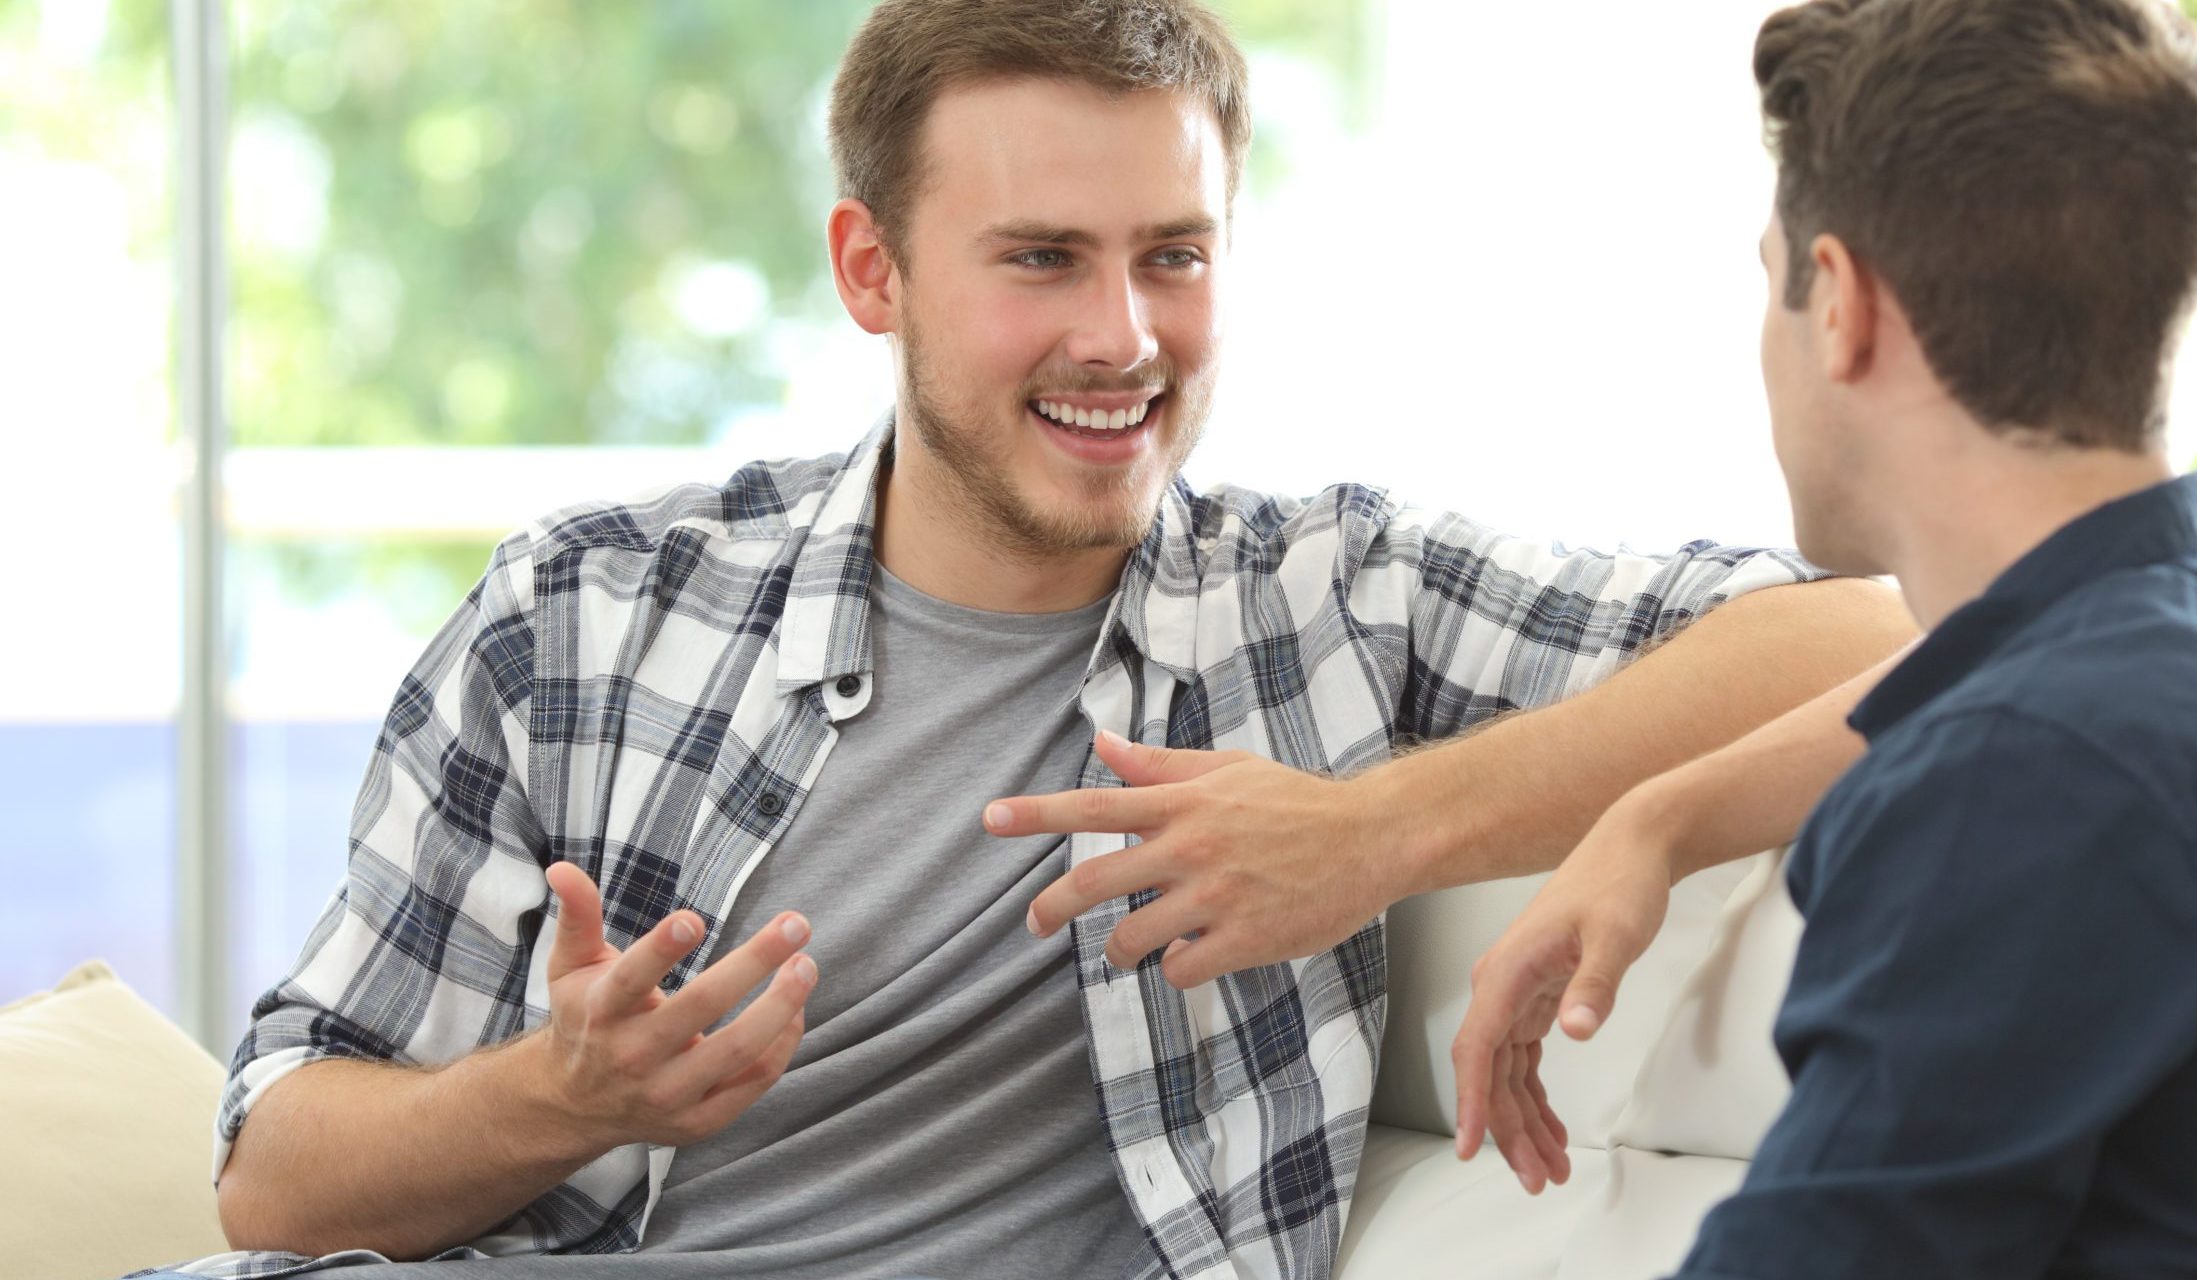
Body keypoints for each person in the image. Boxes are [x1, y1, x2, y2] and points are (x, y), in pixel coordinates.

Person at [145, 3, 1914, 1278]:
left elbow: (1873, 627)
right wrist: (564, 1093)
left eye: (1176, 256)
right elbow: (271, 1176)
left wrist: (1377, 834)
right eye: (1044, 259)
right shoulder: (585, 618)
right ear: (870, 271)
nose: (1125, 336)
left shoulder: (1329, 600)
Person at [1450, 1, 2197, 1277]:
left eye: (1766, 282)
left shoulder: (2028, 775)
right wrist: (1654, 818)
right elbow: (2025, 652)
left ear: (1837, 304)